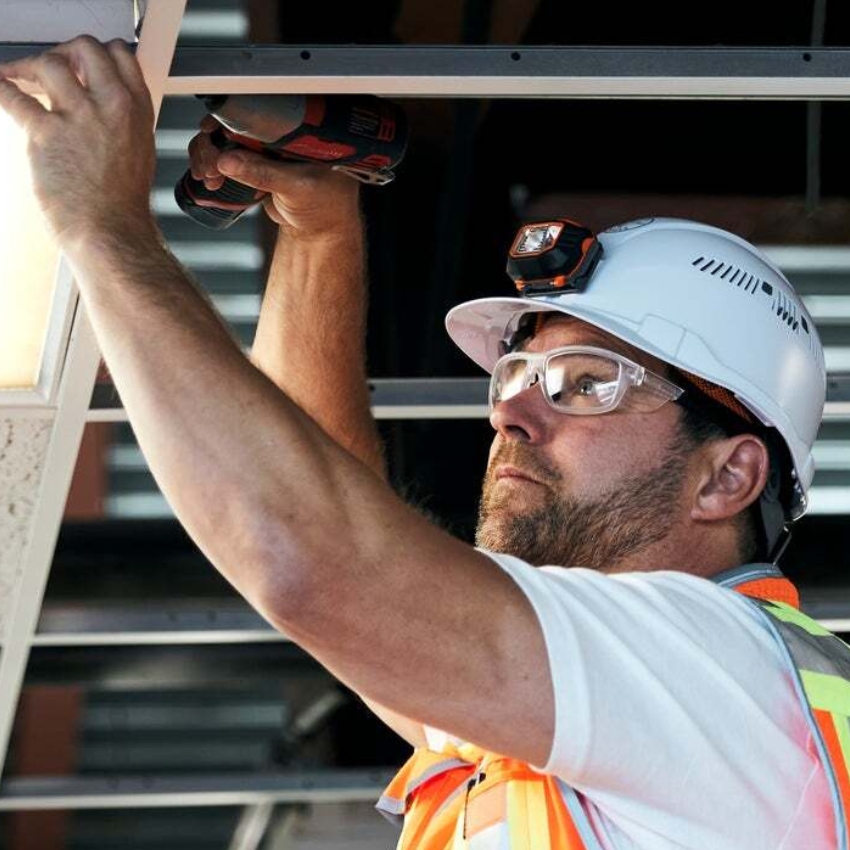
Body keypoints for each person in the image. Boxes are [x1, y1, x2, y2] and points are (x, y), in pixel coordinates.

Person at [1, 37, 848, 850]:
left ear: (727, 476)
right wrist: (317, 233)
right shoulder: (608, 716)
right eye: (513, 379)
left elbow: (319, 563)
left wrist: (104, 225)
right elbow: (343, 556)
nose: (511, 417)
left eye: (586, 385)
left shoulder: (723, 678)